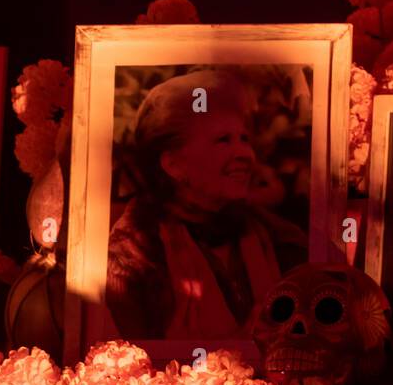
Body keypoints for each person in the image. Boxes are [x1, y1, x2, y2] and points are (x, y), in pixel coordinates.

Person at [106, 70, 307, 339]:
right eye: (223, 140)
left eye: (244, 139)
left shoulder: (278, 238)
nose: (243, 154)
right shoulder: (132, 256)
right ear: (173, 165)